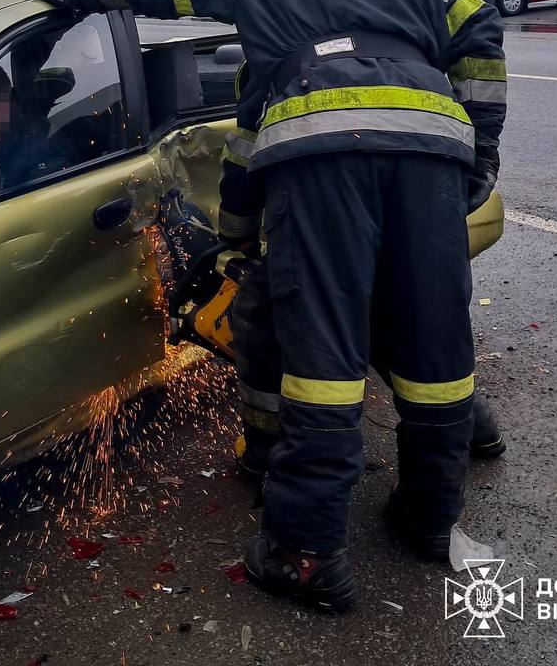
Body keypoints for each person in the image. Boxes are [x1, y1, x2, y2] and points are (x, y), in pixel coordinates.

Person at [34, 0, 506, 613]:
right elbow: (481, 39)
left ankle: (305, 554)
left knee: (322, 357)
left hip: (323, 161)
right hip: (429, 155)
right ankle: (428, 519)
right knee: (435, 347)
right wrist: (476, 159)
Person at [217, 61, 506, 479]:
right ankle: (473, 435)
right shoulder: (408, 51)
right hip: (422, 186)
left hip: (328, 209)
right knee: (418, 335)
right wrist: (481, 158)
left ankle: (270, 454)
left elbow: (243, 158)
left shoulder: (278, 56)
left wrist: (236, 232)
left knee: (267, 318)